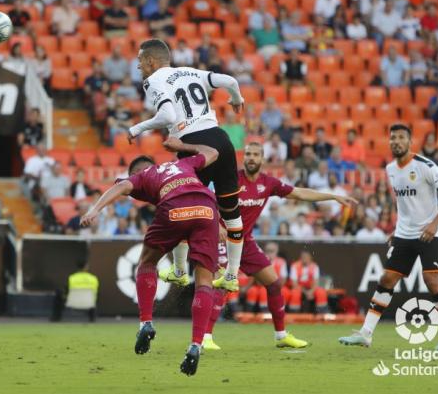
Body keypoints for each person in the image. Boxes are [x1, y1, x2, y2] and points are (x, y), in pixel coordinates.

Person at [162, 142, 357, 350]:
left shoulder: (268, 183)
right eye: (248, 154)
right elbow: (205, 198)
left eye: (255, 154)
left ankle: (281, 335)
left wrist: (333, 196)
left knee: (273, 283)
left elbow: (299, 193)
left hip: (245, 241)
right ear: (243, 158)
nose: (251, 158)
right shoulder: (231, 179)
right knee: (222, 284)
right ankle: (206, 337)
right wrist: (214, 224)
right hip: (221, 238)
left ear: (262, 159)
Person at [81, 138, 220, 376]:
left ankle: (145, 323)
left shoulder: (143, 175)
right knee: (205, 281)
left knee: (147, 262)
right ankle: (196, 344)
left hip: (175, 208)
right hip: (207, 208)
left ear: (137, 172)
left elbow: (121, 187)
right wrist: (181, 147)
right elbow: (213, 151)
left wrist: (94, 209)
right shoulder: (184, 165)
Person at [127, 38, 246, 292]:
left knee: (182, 206)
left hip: (193, 145)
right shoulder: (191, 71)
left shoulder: (153, 81)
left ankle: (180, 271)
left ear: (150, 61)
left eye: (140, 61)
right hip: (221, 141)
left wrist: (137, 127)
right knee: (232, 214)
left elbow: (168, 116)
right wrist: (237, 98)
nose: (138, 67)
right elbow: (230, 82)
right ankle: (233, 275)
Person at [340, 124, 438, 350]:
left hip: (427, 234)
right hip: (404, 234)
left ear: (410, 142)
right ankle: (365, 334)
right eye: (392, 138)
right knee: (386, 279)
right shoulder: (390, 169)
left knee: (432, 281)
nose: (396, 141)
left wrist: (434, 225)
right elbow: (404, 204)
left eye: (401, 137)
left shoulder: (425, 166)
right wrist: (398, 229)